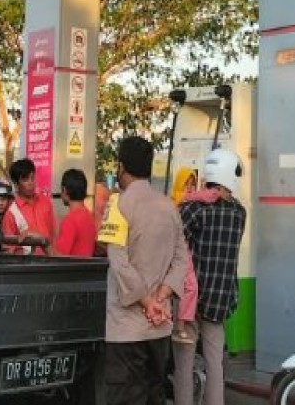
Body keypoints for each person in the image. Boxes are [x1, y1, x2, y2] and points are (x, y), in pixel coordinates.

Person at [100, 136, 189, 405]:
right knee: (155, 396)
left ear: (121, 167)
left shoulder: (117, 205)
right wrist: (161, 298)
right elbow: (181, 258)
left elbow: (119, 262)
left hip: (126, 331)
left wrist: (147, 302)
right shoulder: (169, 207)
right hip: (159, 329)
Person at [173, 149, 247, 405]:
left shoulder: (194, 208)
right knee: (215, 364)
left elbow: (173, 234)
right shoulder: (240, 213)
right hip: (220, 299)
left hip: (190, 300)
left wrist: (191, 197)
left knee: (184, 362)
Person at [1, 158, 56, 254]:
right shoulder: (11, 214)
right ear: (16, 183)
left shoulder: (45, 202)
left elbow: (54, 234)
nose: (31, 183)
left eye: (32, 177)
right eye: (25, 179)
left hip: (50, 261)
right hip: (29, 266)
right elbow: (9, 251)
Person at [54, 168, 96, 257]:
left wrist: (46, 245)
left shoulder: (70, 220)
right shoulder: (89, 216)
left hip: (73, 270)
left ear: (64, 190)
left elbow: (59, 257)